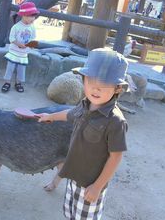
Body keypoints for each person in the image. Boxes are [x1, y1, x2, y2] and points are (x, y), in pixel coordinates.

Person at [39, 48, 129, 219]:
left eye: (103, 85)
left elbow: (115, 157)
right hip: (74, 174)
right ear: (83, 80)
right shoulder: (84, 104)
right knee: (71, 212)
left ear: (117, 89)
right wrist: (50, 116)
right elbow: (69, 114)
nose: (95, 89)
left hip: (92, 182)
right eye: (90, 82)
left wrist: (97, 187)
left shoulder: (115, 121)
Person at [1, 2, 39, 93]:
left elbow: (33, 38)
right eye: (31, 16)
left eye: (34, 16)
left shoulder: (32, 28)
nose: (33, 19)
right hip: (14, 52)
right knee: (10, 68)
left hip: (24, 54)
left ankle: (18, 83)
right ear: (24, 15)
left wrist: (31, 45)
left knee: (21, 69)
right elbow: (11, 39)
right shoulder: (16, 27)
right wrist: (18, 44)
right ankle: (7, 82)